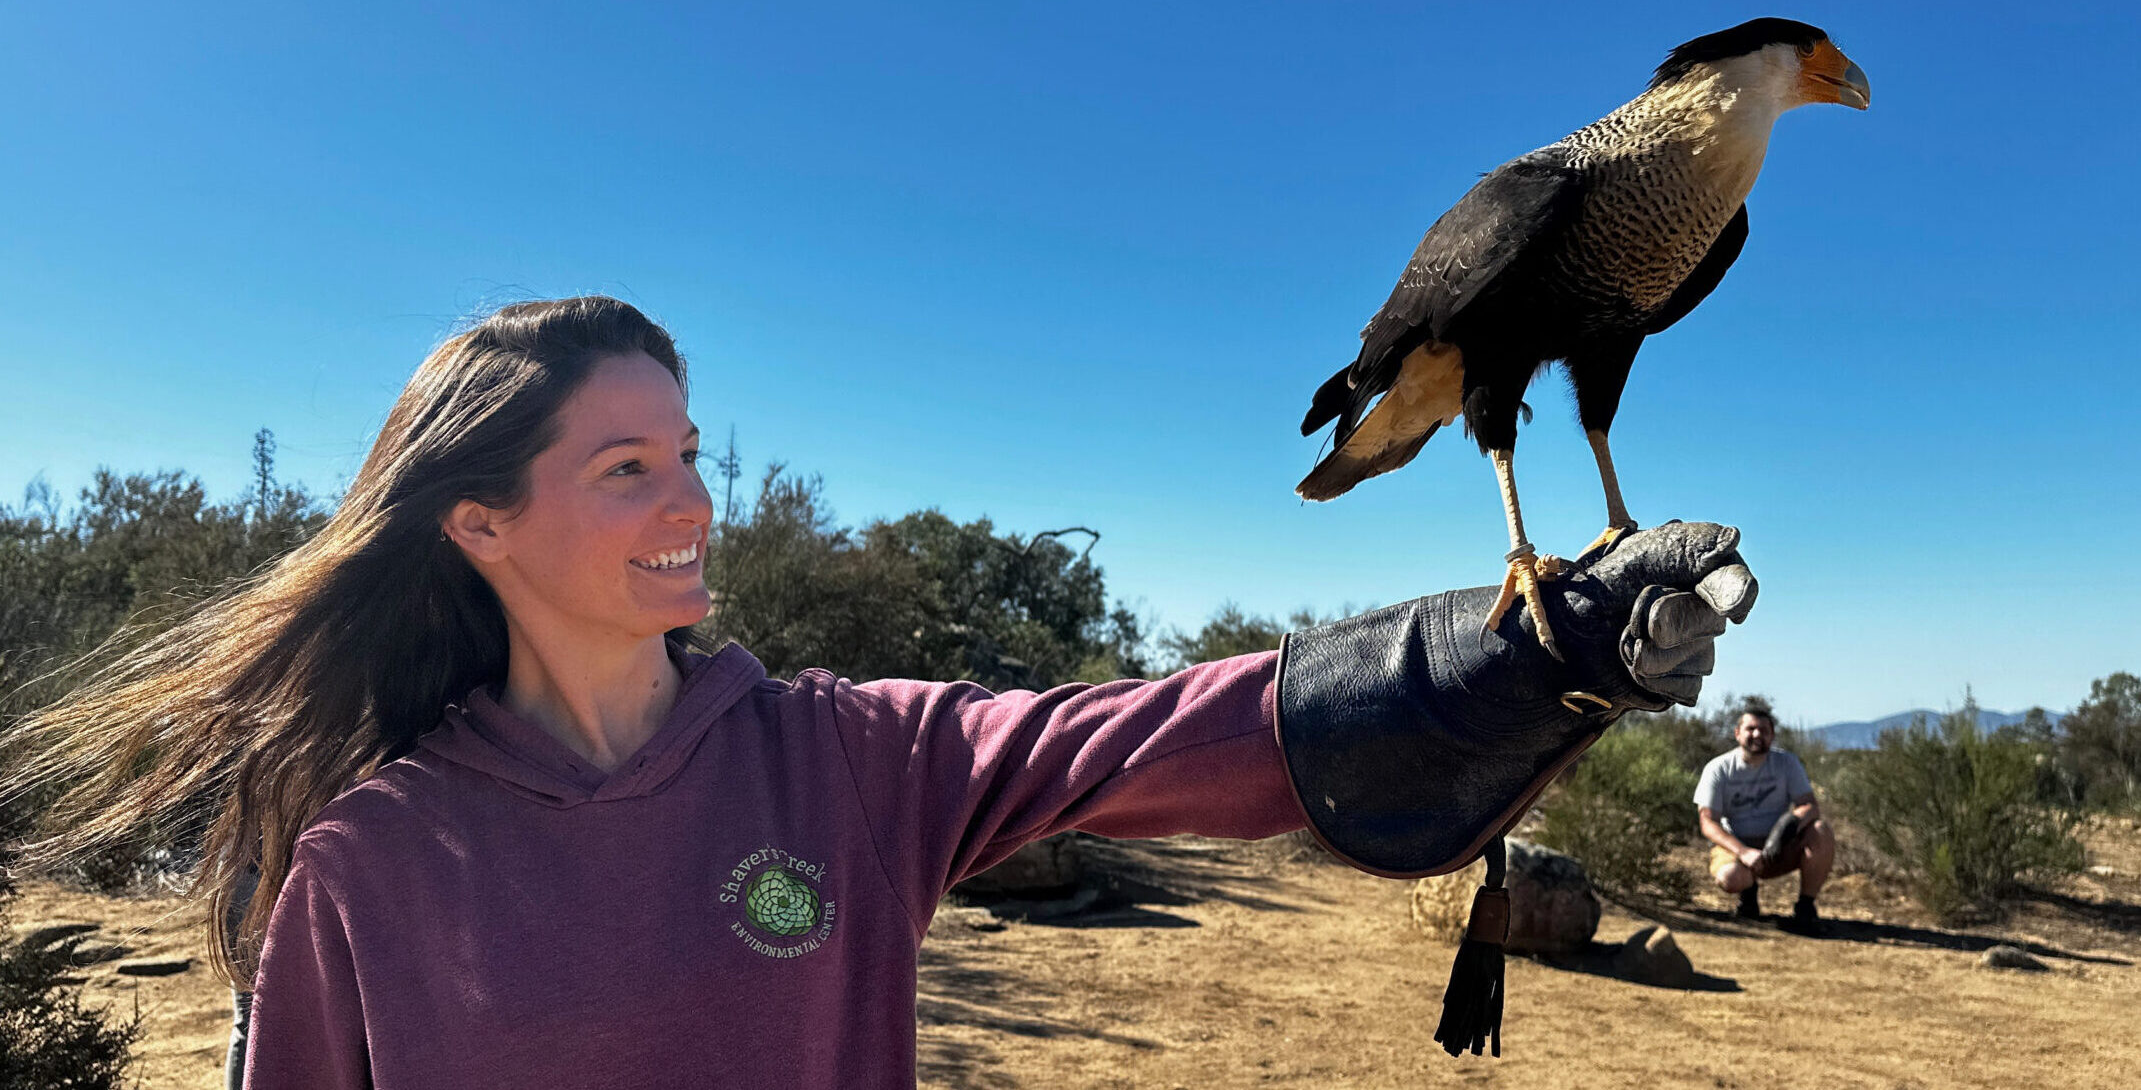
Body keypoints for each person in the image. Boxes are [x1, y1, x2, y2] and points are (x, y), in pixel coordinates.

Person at [0, 297, 1758, 1087]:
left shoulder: (839, 757)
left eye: (688, 453)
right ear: (478, 522)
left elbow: (1142, 737)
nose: (692, 500)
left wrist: (1516, 652)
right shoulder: (372, 858)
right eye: (624, 468)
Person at [1695, 705, 1835, 933]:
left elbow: (1809, 805)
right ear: (1737, 733)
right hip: (1737, 845)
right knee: (1731, 877)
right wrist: (1743, 851)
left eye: (1764, 730)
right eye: (1751, 729)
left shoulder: (1787, 763)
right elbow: (1707, 822)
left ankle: (1806, 907)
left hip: (1778, 846)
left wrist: (1786, 828)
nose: (1757, 735)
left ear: (1772, 735)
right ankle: (1747, 896)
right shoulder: (1718, 769)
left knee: (1821, 830)